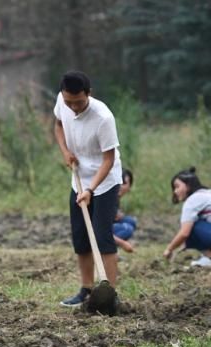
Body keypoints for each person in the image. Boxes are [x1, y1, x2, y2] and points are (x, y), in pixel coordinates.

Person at [53, 71, 123, 308]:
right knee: (81, 238)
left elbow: (108, 160)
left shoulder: (103, 118)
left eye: (78, 102)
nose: (73, 107)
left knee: (102, 237)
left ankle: (109, 295)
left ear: (89, 94)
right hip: (79, 178)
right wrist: (65, 151)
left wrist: (91, 190)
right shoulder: (62, 102)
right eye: (68, 102)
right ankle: (86, 289)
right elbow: (58, 126)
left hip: (104, 182)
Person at [163, 167, 211, 267]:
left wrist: (169, 249)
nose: (175, 191)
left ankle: (209, 257)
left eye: (177, 187)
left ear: (188, 185)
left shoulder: (192, 200)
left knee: (191, 226)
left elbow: (184, 233)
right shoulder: (207, 193)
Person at [113, 168, 136, 253]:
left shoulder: (117, 198)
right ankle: (107, 246)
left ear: (129, 186)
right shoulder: (110, 197)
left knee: (131, 221)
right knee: (127, 228)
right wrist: (122, 243)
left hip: (107, 225)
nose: (120, 186)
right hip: (98, 229)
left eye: (124, 183)